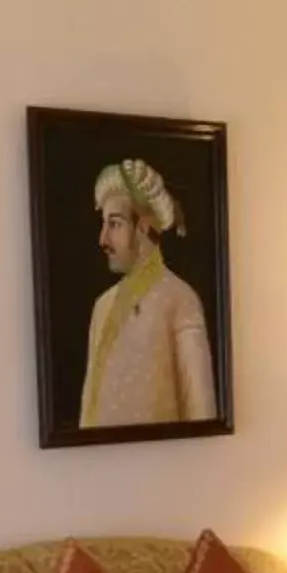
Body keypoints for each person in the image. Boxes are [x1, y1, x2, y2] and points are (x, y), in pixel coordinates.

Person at [77, 158, 217, 429]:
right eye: (104, 224)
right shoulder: (102, 306)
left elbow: (203, 418)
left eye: (114, 224)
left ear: (143, 225)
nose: (102, 239)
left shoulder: (180, 299)